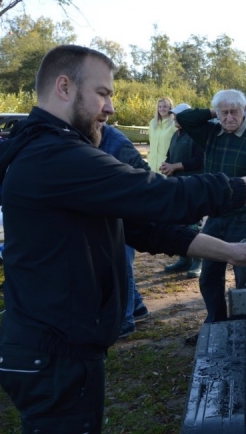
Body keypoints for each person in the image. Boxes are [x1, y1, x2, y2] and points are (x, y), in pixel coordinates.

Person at [0, 45, 246, 433]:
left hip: (63, 350)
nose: (110, 107)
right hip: (51, 356)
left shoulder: (61, 153)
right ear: (64, 87)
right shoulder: (54, 156)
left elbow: (147, 228)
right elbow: (164, 196)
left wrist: (231, 251)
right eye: (103, 93)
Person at [177, 90, 246, 325]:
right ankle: (216, 321)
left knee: (245, 278)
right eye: (224, 112)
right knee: (210, 275)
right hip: (215, 217)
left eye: (234, 112)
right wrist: (216, 110)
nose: (229, 117)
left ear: (244, 112)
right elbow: (184, 119)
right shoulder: (211, 133)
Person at [97, 120, 151, 339]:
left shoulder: (118, 143)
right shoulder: (87, 139)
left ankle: (125, 321)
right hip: (107, 215)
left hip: (124, 215)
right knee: (120, 265)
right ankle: (137, 307)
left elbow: (144, 177)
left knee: (121, 268)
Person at [160, 103, 205, 276]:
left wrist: (175, 166)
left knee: (194, 224)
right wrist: (166, 165)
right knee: (179, 223)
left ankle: (197, 262)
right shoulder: (175, 135)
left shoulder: (197, 135)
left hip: (193, 186)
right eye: (174, 115)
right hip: (177, 186)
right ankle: (184, 259)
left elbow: (199, 161)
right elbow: (170, 156)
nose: (175, 118)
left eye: (178, 115)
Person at [147, 96, 176, 175]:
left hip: (165, 167)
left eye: (165, 106)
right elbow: (151, 142)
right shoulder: (152, 123)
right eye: (159, 107)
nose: (162, 109)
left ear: (170, 108)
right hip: (151, 166)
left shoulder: (174, 124)